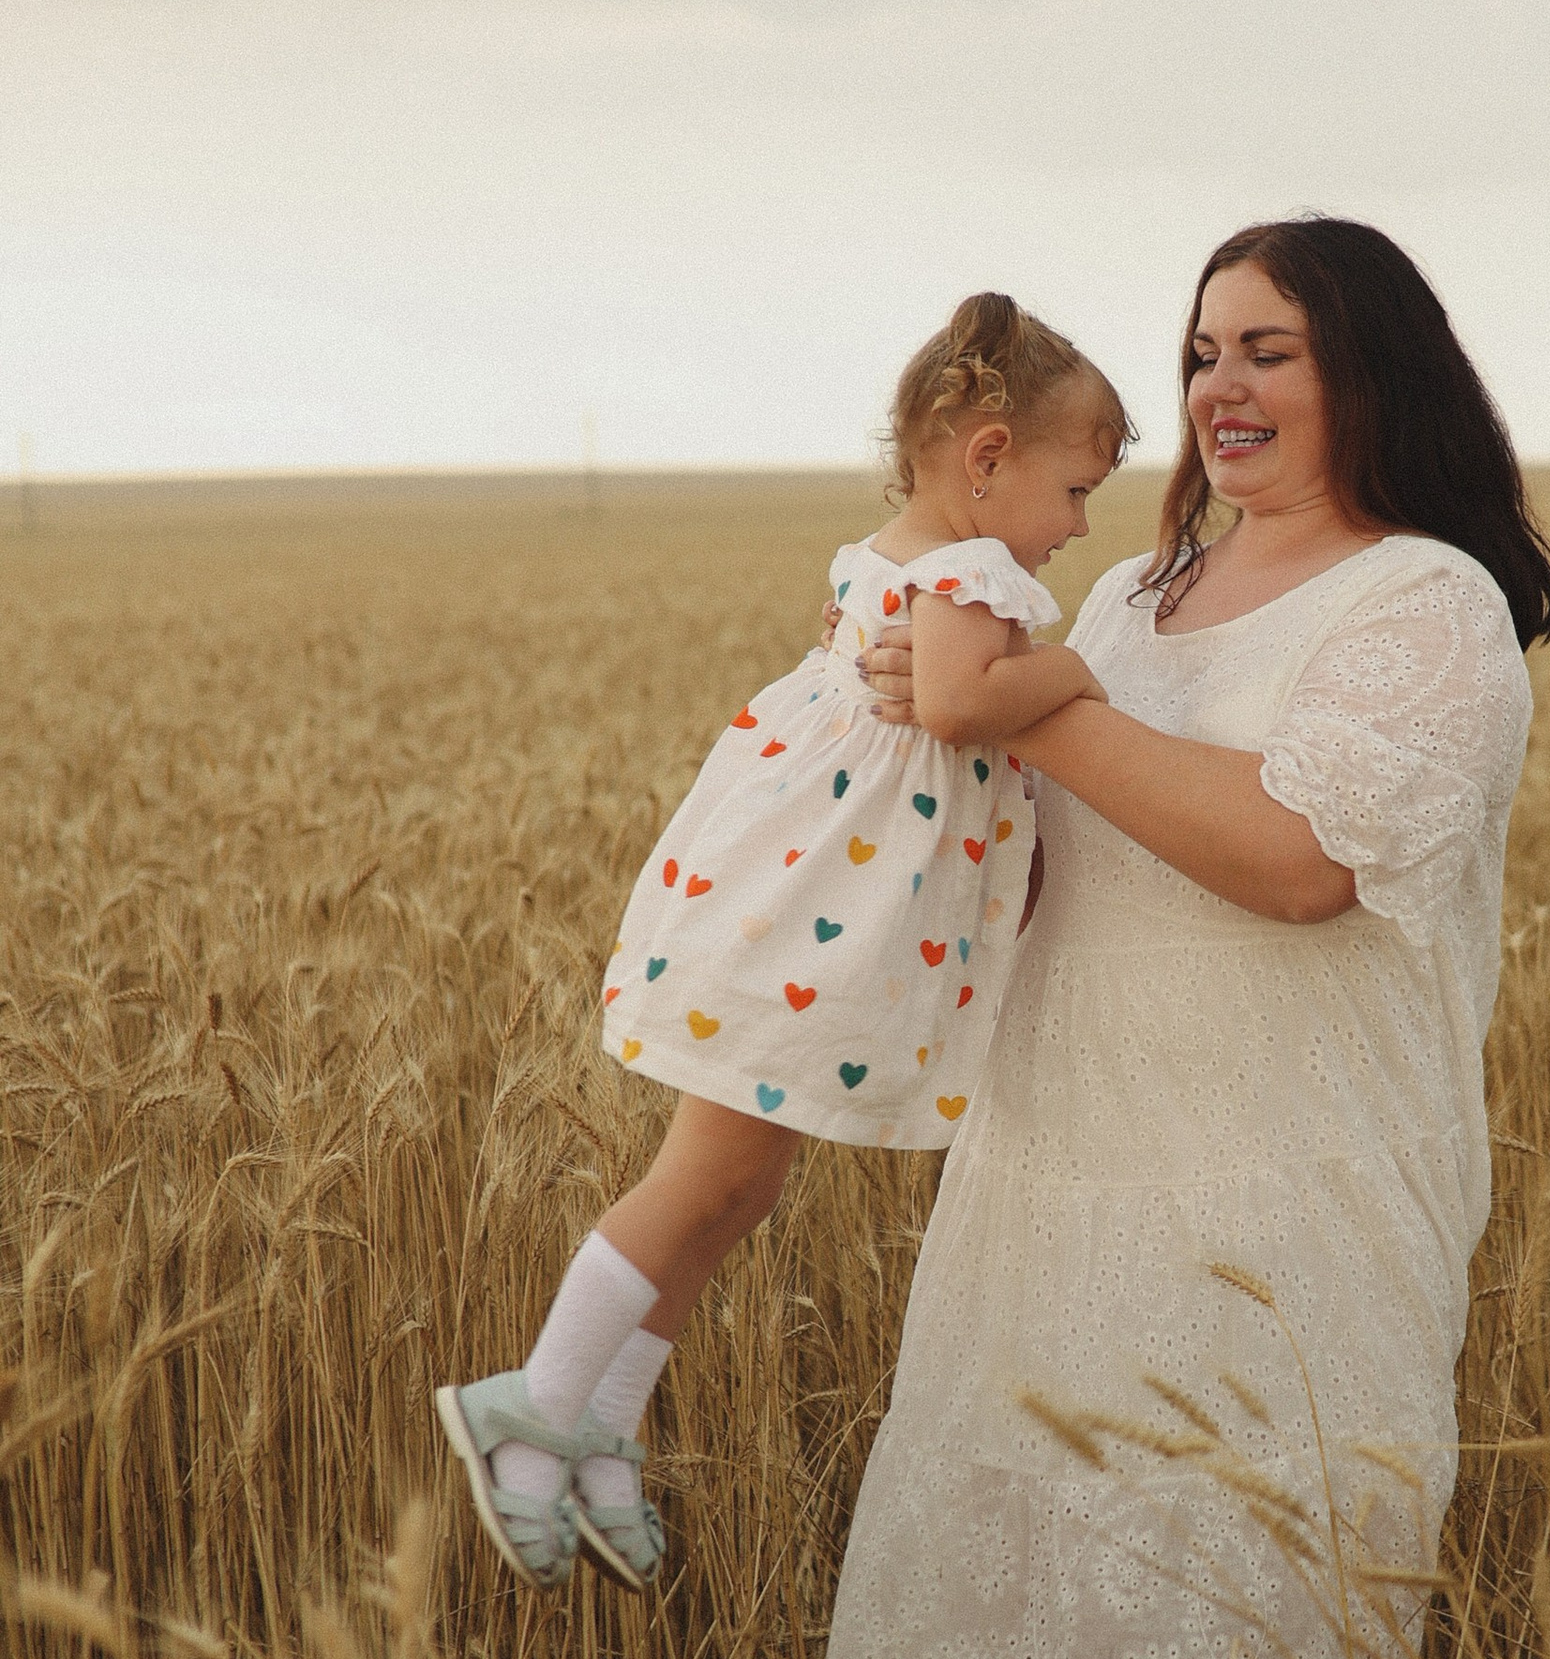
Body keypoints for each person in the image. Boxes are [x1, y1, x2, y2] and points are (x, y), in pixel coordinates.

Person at [823, 218, 1550, 1659]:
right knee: (1059, 1633)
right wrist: (887, 722)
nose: (1225, 387)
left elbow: (1293, 860)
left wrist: (1031, 710)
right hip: (1071, 1162)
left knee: (1327, 1613)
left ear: (1373, 374)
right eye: (1203, 348)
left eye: (1276, 350)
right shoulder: (1132, 598)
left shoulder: (1429, 607)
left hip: (1296, 1175)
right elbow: (1031, 833)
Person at [436, 294, 1131, 1590]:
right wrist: (1081, 673)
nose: (1083, 523)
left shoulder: (890, 562)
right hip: (810, 935)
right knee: (704, 1183)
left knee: (743, 1190)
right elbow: (962, 699)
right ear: (987, 458)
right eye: (1078, 489)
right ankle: (525, 1403)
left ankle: (599, 1427)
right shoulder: (976, 580)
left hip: (810, 922)